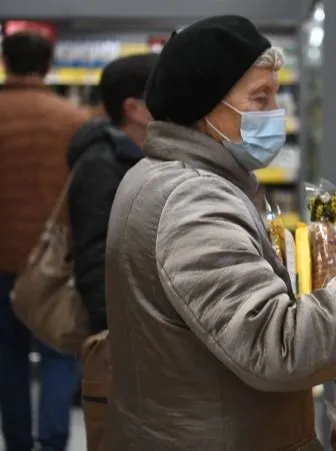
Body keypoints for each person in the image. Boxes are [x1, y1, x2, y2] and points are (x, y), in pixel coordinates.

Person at [103, 16, 336, 451]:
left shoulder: (165, 176)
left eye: (276, 93)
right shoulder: (193, 202)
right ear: (203, 107)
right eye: (260, 97)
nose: (275, 110)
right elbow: (277, 347)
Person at [0, 32, 90, 451]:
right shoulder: (72, 120)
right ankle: (53, 442)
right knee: (58, 353)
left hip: (0, 260)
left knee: (7, 358)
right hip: (56, 260)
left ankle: (16, 442)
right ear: (50, 64)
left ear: (5, 61)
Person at [66, 53, 157, 451]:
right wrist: (114, 338)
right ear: (133, 108)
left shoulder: (133, 157)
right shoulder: (102, 164)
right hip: (120, 338)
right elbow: (96, 258)